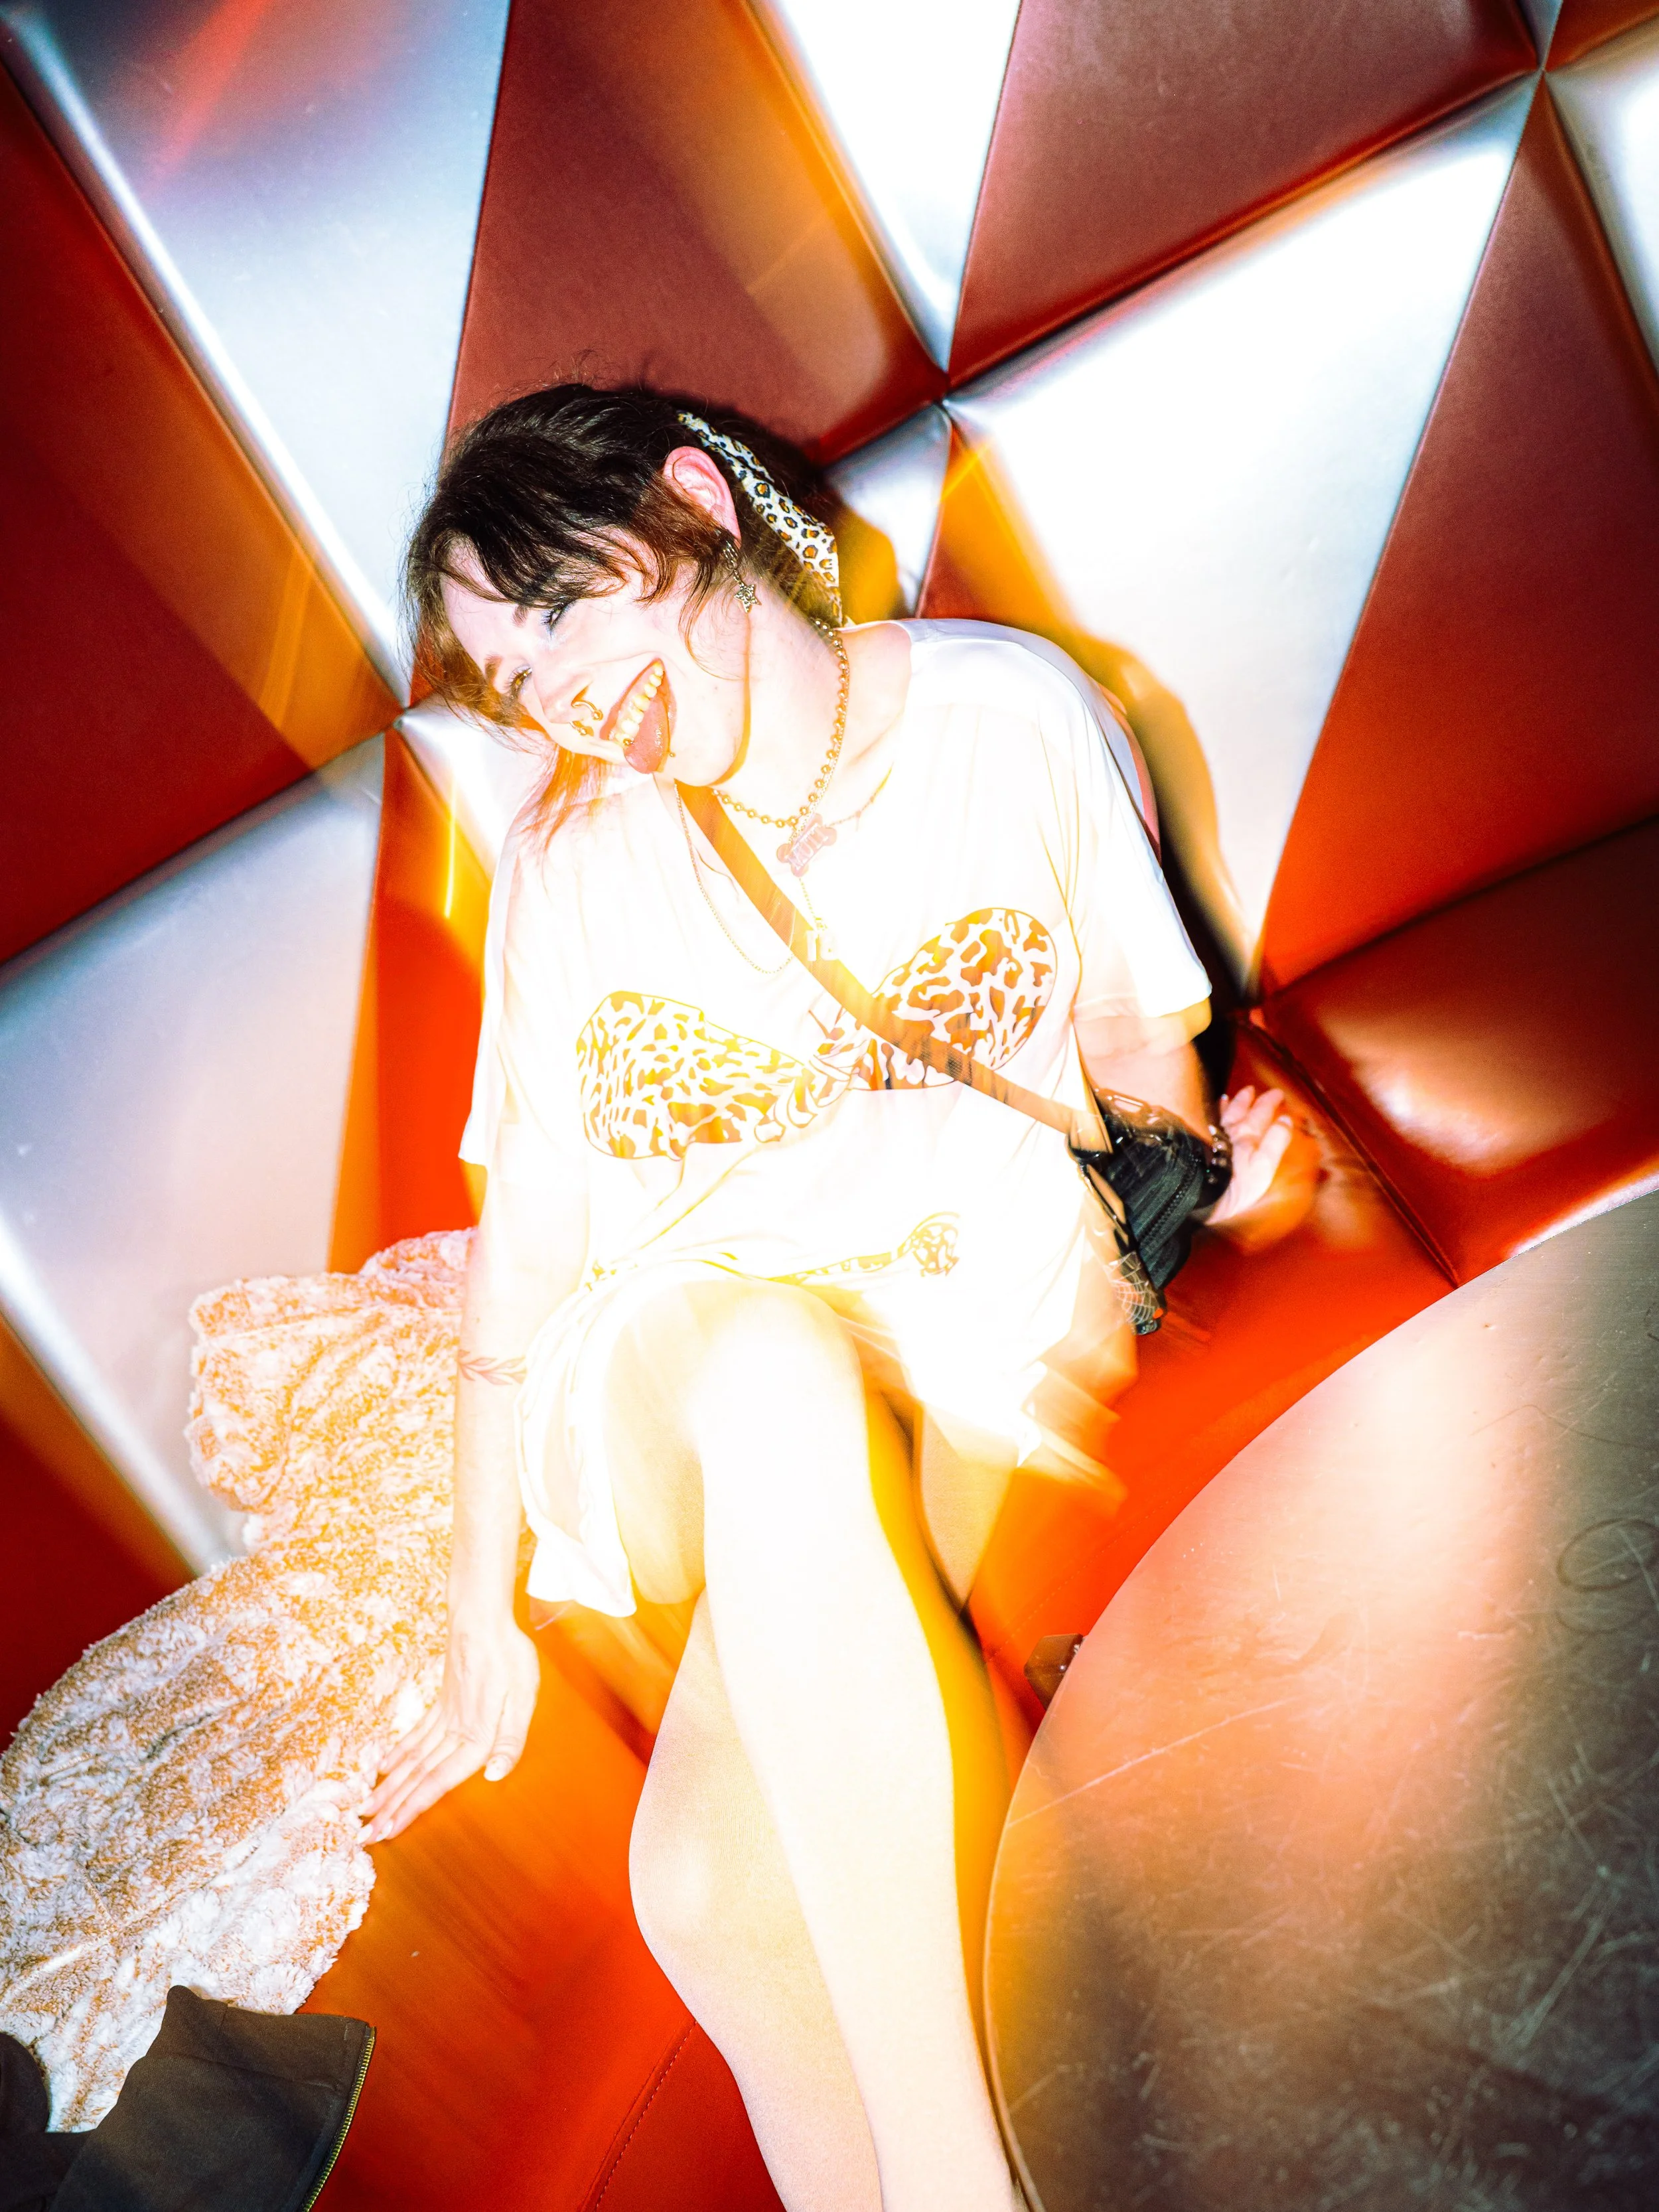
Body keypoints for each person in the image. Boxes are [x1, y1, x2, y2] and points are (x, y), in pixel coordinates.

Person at [364, 384, 1291, 2212]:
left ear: (690, 501)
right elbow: (527, 1251)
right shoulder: (572, 864)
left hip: (970, 1315)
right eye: (509, 678)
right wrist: (474, 1604)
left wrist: (1195, 1159)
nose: (554, 698)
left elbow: (1124, 1029)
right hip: (689, 1342)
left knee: (707, 1881)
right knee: (772, 1363)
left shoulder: (1006, 713)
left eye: (555, 613)